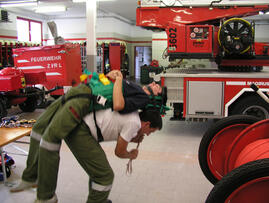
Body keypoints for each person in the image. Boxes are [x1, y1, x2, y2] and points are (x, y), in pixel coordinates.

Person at [10, 70, 164, 203]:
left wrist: (116, 79)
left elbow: (115, 103)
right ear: (147, 124)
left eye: (158, 89)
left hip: (82, 95)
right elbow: (113, 101)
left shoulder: (139, 99)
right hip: (80, 95)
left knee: (48, 138)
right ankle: (36, 183)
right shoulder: (135, 94)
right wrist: (111, 77)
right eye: (151, 131)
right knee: (42, 132)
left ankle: (41, 190)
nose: (157, 85)